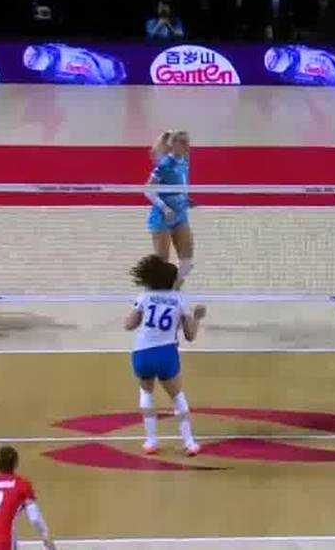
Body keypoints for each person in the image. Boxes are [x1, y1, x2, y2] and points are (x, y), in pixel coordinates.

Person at [125, 254, 206, 456]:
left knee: (146, 393)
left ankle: (151, 441)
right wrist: (197, 318)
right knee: (177, 396)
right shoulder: (180, 300)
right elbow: (190, 335)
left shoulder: (144, 297)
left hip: (142, 353)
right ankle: (189, 443)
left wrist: (140, 309)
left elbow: (129, 325)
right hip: (166, 353)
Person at [0, 445, 57, 550]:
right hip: (1, 544)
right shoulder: (22, 485)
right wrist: (47, 542)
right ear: (16, 463)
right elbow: (35, 518)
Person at [144, 131, 194, 288]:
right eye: (183, 143)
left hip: (181, 215)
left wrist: (185, 198)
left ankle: (174, 290)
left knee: (187, 260)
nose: (187, 146)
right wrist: (165, 209)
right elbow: (148, 190)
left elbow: (179, 186)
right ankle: (156, 293)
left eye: (188, 142)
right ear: (174, 145)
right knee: (162, 263)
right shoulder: (164, 164)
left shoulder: (185, 161)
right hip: (162, 218)